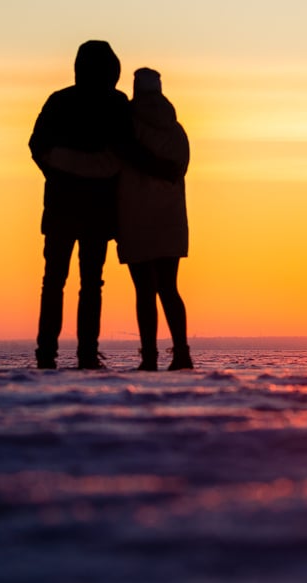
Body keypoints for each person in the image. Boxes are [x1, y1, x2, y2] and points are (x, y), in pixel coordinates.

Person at [28, 40, 130, 369]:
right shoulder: (116, 103)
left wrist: (58, 171)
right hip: (95, 210)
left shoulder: (60, 101)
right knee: (88, 283)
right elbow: (126, 150)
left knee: (55, 282)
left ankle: (49, 354)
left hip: (63, 206)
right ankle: (84, 354)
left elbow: (37, 145)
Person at [118, 68, 193, 371]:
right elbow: (180, 170)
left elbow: (116, 162)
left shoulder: (128, 126)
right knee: (170, 287)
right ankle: (181, 353)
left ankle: (149, 357)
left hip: (134, 215)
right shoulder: (176, 131)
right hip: (170, 217)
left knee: (144, 290)